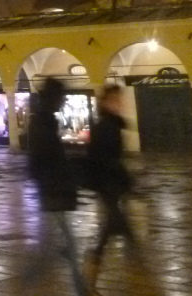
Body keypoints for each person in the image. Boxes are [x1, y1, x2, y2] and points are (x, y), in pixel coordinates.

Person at [27, 77, 88, 296]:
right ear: (53, 98)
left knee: (61, 244)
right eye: (61, 97)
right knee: (60, 245)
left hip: (52, 187)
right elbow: (44, 158)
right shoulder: (43, 122)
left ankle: (80, 287)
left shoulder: (44, 120)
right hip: (52, 188)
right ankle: (29, 282)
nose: (62, 101)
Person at [84, 84, 135, 291]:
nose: (119, 103)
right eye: (115, 100)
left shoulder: (112, 124)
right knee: (116, 224)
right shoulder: (104, 126)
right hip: (107, 183)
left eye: (119, 99)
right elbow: (103, 159)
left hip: (112, 183)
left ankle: (92, 269)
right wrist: (125, 178)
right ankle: (91, 269)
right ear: (105, 102)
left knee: (114, 225)